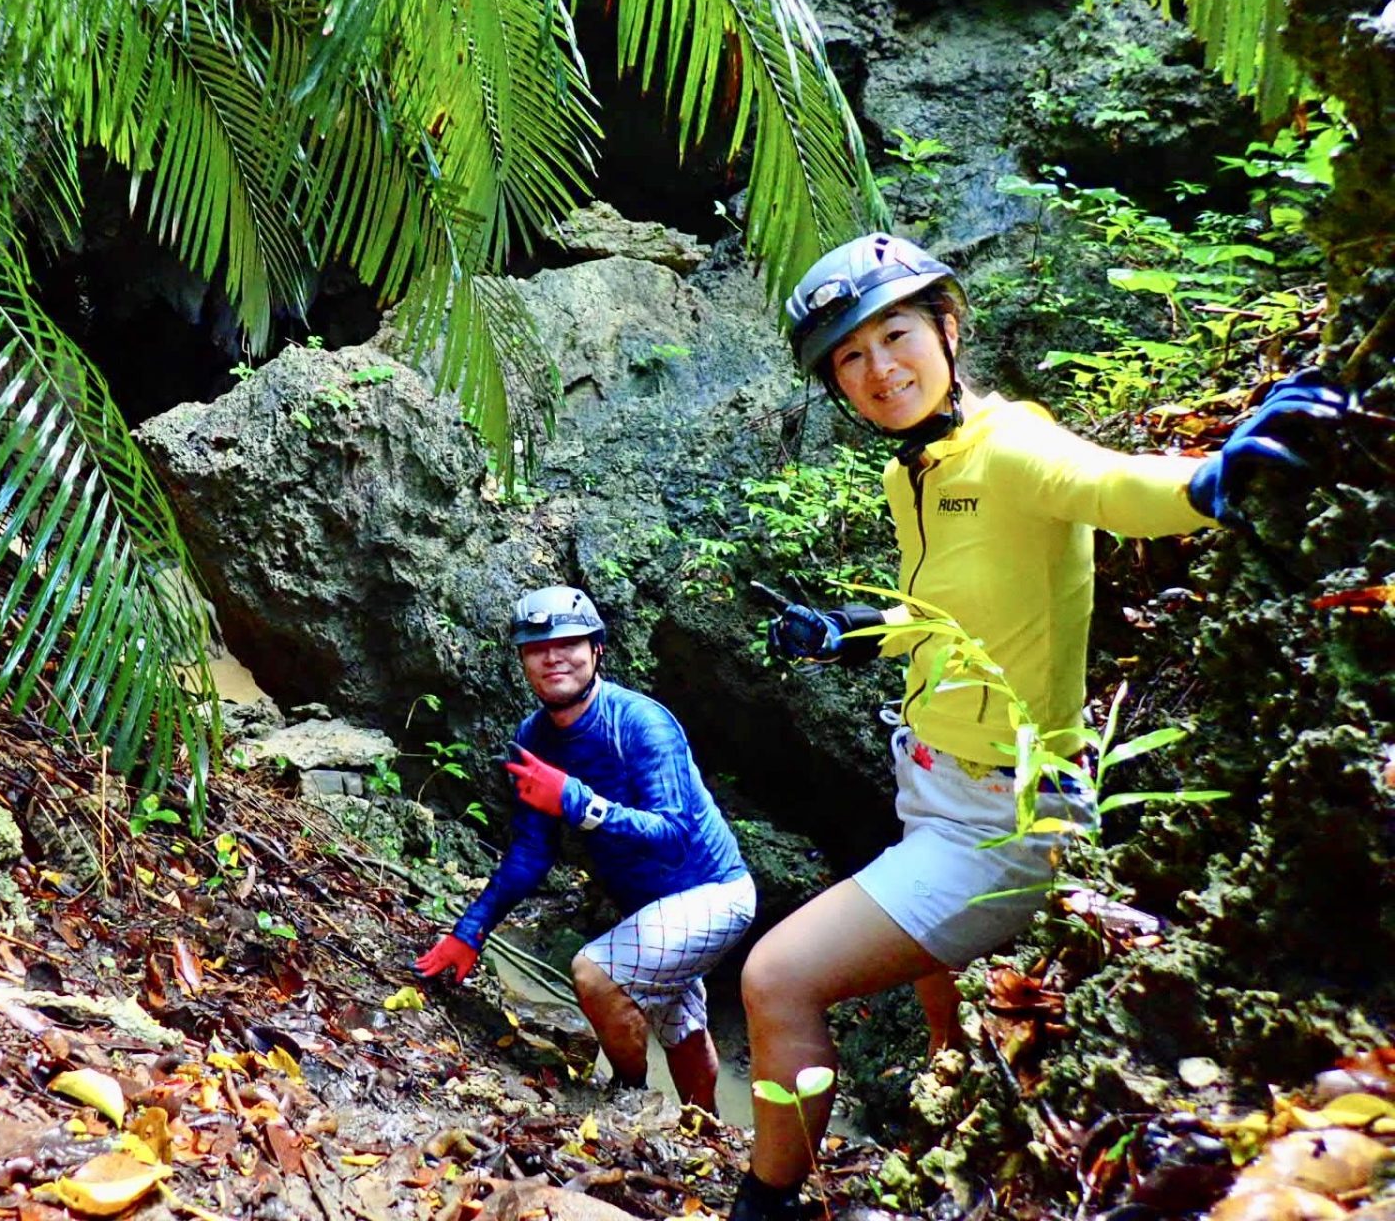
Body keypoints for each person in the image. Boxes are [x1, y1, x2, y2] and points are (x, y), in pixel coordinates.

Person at [729, 233, 1347, 1220]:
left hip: (1004, 814)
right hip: (929, 789)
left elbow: (1110, 487)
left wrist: (1213, 477)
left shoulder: (1012, 443)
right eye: (850, 356)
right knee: (951, 1028)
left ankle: (767, 1204)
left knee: (775, 980)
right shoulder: (913, 474)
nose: (878, 369)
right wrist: (850, 635)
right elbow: (947, 611)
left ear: (948, 324)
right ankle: (939, 1175)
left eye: (895, 336)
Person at [413, 585, 757, 1114]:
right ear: (523, 661)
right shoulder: (533, 739)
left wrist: (576, 800)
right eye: (536, 647)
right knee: (679, 1025)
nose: (553, 656)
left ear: (597, 650)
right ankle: (703, 1131)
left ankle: (630, 1099)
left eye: (569, 643)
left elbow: (673, 837)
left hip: (712, 891)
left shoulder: (642, 724)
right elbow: (531, 854)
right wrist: (469, 931)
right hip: (649, 909)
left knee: (595, 973)